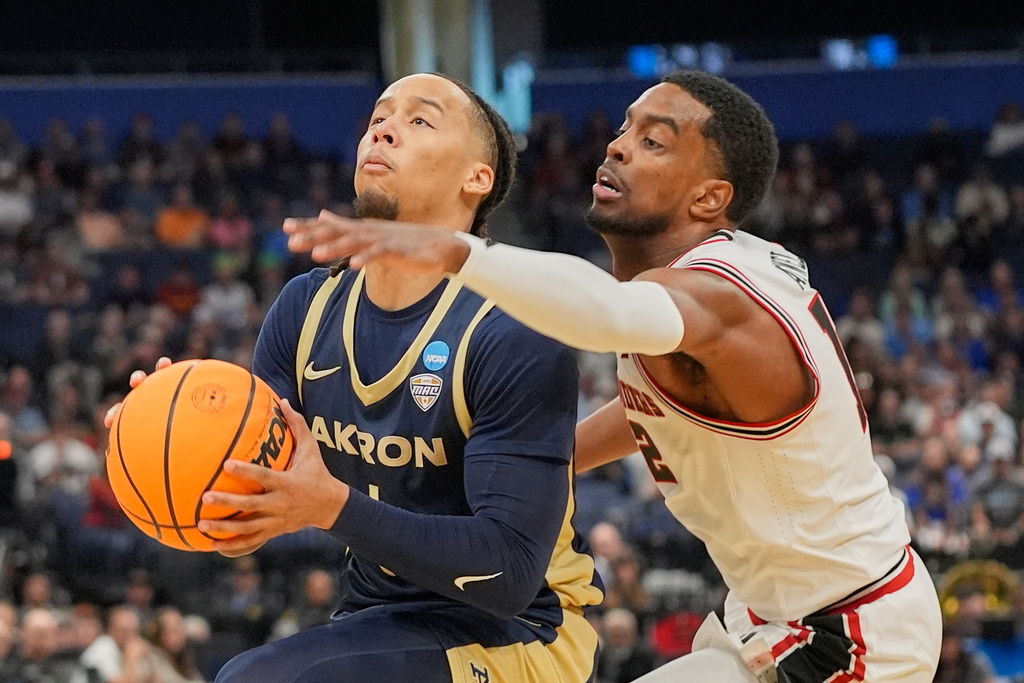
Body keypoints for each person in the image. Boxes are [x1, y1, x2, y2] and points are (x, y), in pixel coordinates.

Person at [287, 70, 943, 682]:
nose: (619, 147)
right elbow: (652, 412)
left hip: (854, 632)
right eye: (625, 128)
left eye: (653, 140)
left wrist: (458, 251)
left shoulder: (720, 296)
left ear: (711, 197)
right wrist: (543, 463)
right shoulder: (692, 304)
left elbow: (603, 311)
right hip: (772, 615)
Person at [108, 72, 602, 683]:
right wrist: (168, 433)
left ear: (478, 178)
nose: (385, 128)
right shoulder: (304, 309)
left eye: (419, 120)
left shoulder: (516, 328)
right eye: (378, 117)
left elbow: (507, 575)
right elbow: (260, 502)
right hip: (379, 619)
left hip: (523, 633)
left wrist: (332, 505)